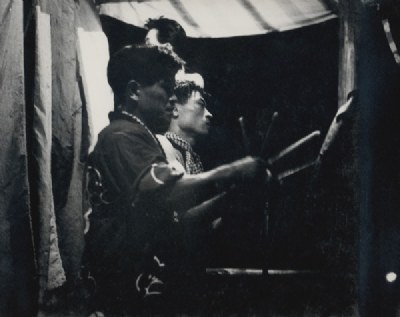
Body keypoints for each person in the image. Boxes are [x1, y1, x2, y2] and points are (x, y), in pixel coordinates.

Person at [85, 44, 267, 313]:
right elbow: (167, 193)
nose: (172, 100)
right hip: (126, 293)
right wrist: (232, 172)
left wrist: (231, 197)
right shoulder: (121, 136)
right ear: (135, 91)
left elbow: (177, 220)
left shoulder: (138, 138)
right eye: (165, 88)